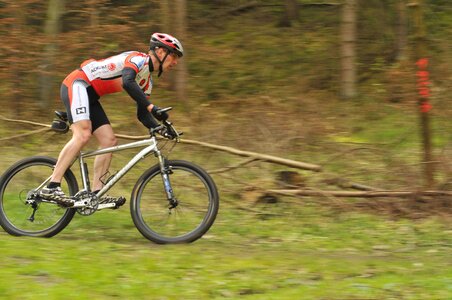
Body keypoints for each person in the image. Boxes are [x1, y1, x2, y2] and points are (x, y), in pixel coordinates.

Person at [39, 33, 184, 206]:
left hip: (90, 96)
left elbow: (142, 114)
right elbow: (128, 81)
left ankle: (95, 193)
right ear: (160, 52)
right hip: (77, 84)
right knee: (83, 134)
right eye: (174, 56)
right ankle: (52, 186)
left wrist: (160, 128)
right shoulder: (138, 59)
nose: (175, 62)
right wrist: (152, 107)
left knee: (109, 140)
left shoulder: (147, 80)